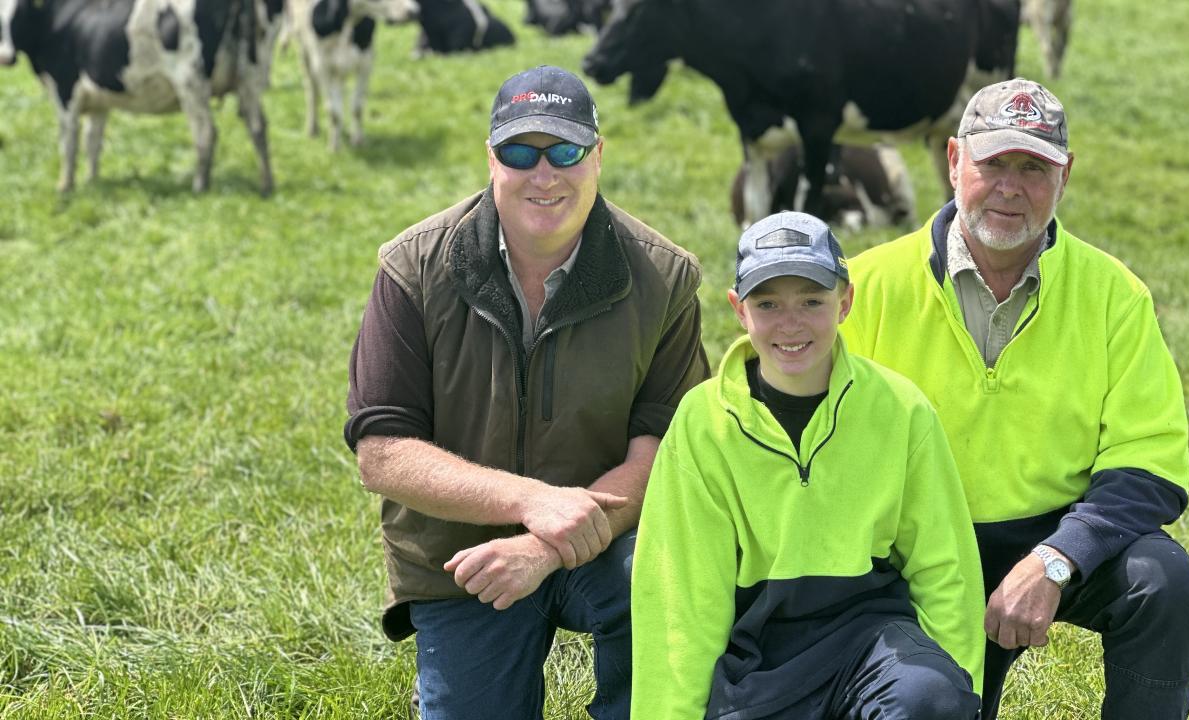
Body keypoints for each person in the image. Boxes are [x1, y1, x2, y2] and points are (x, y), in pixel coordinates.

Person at [344, 64, 710, 719]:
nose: (545, 174)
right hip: (462, 563)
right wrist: (531, 502)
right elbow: (383, 452)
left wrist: (546, 542)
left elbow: (670, 451)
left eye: (566, 151)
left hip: (612, 543)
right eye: (521, 152)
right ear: (490, 160)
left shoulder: (665, 278)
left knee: (664, 584)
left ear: (599, 157)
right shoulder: (411, 268)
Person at [840, 78, 1189, 719]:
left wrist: (1060, 557)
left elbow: (1150, 462)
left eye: (1034, 168)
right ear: (954, 161)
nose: (1011, 187)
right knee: (935, 703)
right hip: (910, 551)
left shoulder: (1115, 296)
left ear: (1065, 177)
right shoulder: (867, 285)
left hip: (1057, 534)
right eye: (994, 164)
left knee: (1164, 584)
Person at [631, 212, 985, 719]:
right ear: (739, 310)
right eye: (768, 303)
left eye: (812, 301)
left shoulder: (901, 409)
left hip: (874, 643)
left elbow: (944, 566)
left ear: (846, 303)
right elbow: (681, 599)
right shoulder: (702, 423)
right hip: (759, 660)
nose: (790, 323)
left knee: (927, 698)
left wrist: (955, 690)